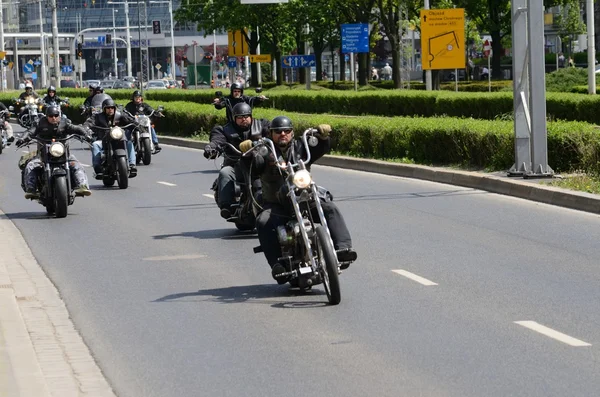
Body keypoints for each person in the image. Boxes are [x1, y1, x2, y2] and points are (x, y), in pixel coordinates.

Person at [244, 116, 357, 284]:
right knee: (262, 221)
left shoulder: (300, 146)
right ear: (271, 133)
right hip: (277, 203)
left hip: (303, 196)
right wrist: (247, 154)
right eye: (278, 131)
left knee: (329, 207)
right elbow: (252, 166)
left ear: (292, 132)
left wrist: (323, 137)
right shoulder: (264, 150)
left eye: (287, 131)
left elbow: (319, 148)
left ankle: (342, 249)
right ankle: (277, 265)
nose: (283, 134)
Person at [204, 102, 270, 219]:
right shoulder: (224, 130)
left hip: (259, 163)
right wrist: (212, 148)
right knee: (225, 173)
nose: (243, 120)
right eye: (240, 117)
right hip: (236, 165)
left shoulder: (262, 125)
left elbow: (272, 134)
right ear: (234, 118)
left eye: (246, 116)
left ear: (251, 116)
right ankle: (227, 206)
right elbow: (217, 139)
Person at [16, 106, 92, 199]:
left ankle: (82, 186)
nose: (54, 118)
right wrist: (22, 138)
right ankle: (31, 189)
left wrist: (86, 134)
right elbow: (30, 131)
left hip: (63, 153)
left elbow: (77, 129)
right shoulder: (40, 123)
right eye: (51, 116)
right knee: (31, 166)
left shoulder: (65, 123)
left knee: (76, 165)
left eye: (56, 115)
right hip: (43, 154)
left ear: (59, 115)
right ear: (47, 116)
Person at [83, 98, 138, 178]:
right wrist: (85, 128)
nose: (110, 110)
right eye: (108, 108)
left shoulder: (120, 116)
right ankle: (98, 168)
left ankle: (132, 165)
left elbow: (130, 121)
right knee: (95, 144)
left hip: (119, 140)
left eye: (112, 108)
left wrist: (138, 126)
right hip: (103, 140)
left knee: (129, 143)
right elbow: (89, 122)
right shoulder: (98, 117)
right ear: (104, 109)